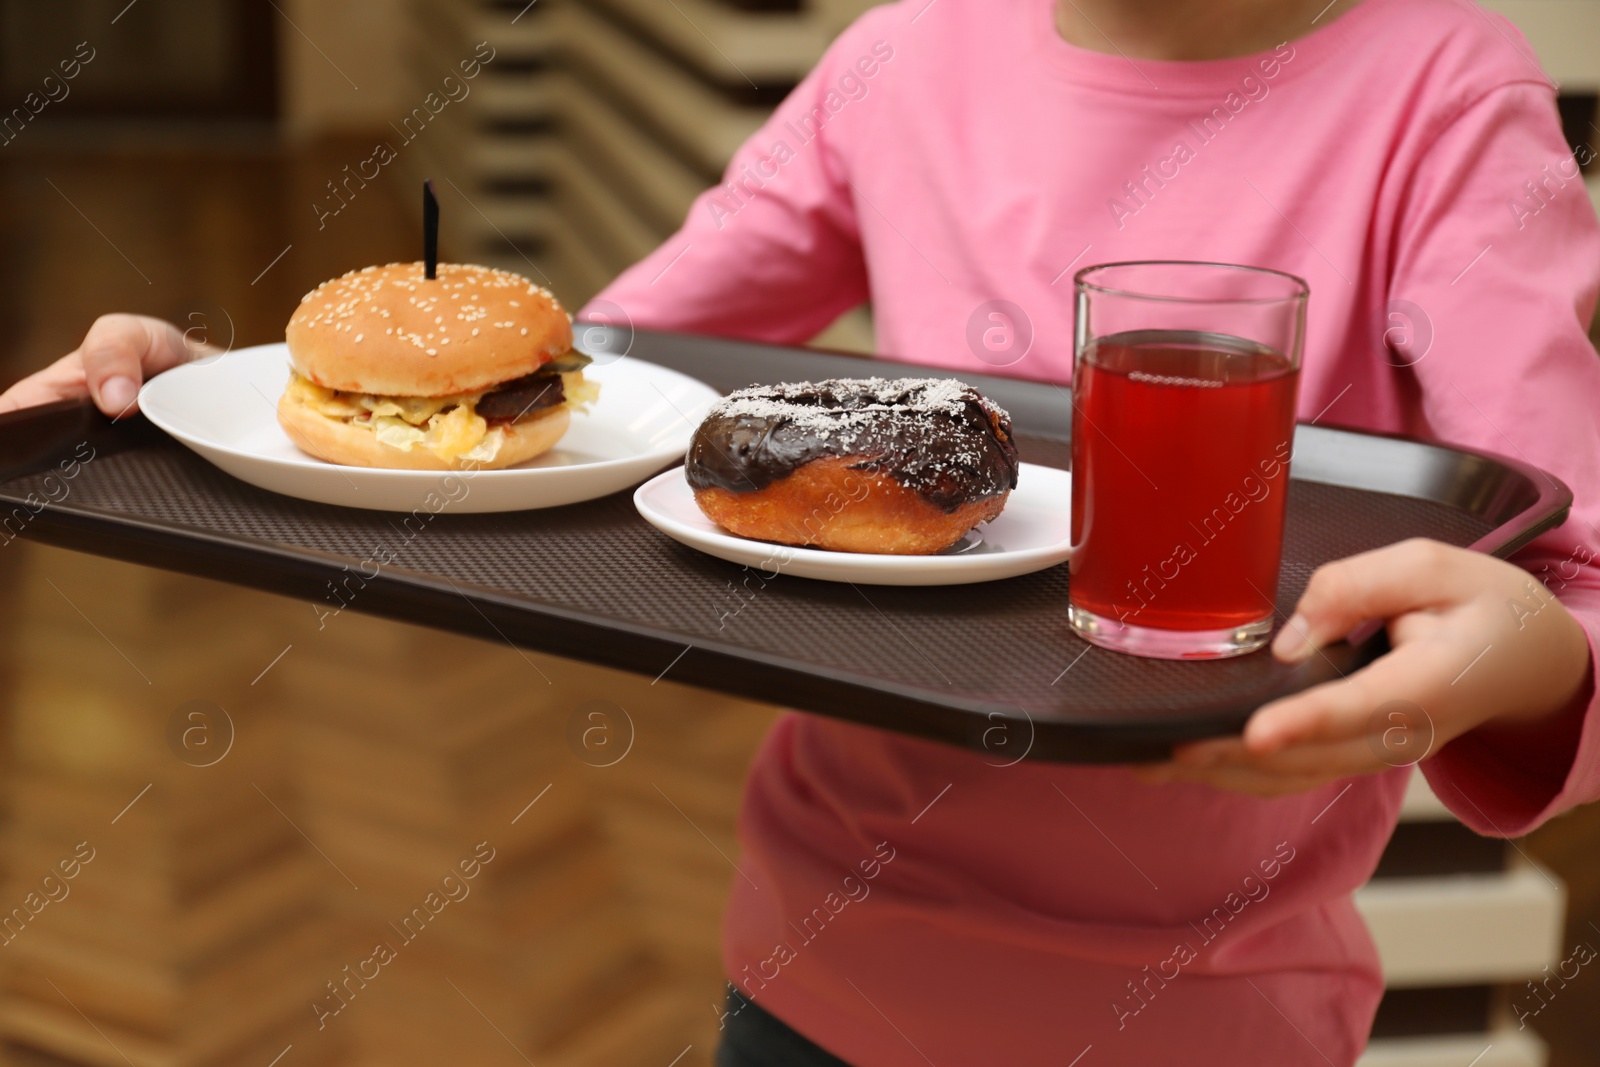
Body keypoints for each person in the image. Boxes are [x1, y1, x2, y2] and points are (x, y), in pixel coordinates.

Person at [4, 0, 1599, 1063]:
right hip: (818, 964)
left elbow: (1570, 574)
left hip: (1216, 1018)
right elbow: (594, 384)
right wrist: (224, 392)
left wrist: (1534, 658)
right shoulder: (906, 51)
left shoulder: (1445, 88)